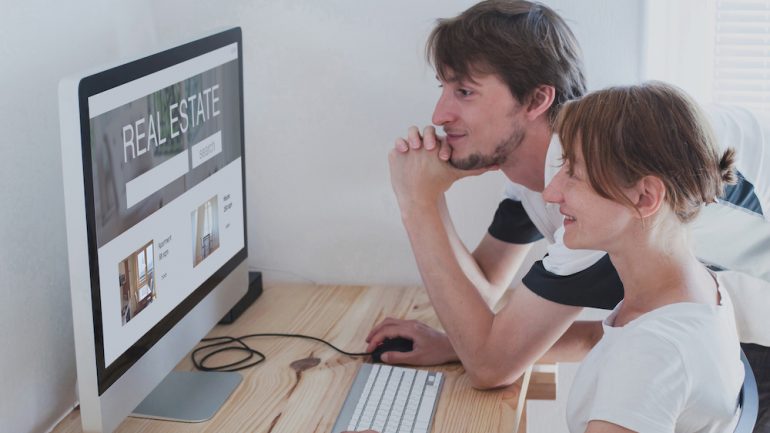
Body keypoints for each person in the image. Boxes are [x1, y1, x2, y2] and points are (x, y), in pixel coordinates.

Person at [364, 0, 770, 431]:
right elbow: (478, 295)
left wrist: (419, 203)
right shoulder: (561, 169)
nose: (439, 115)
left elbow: (491, 364)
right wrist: (457, 343)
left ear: (537, 99)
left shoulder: (608, 199)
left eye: (464, 91)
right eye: (443, 89)